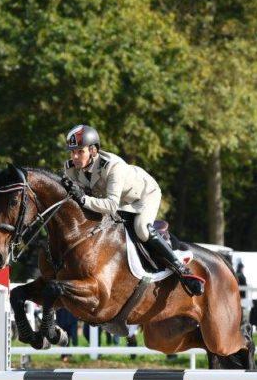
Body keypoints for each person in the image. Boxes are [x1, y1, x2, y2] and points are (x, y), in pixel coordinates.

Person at [60, 124, 205, 296]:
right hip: (118, 201)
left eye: (79, 151)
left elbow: (111, 205)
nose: (75, 156)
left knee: (141, 228)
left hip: (143, 195)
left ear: (92, 150)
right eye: (72, 152)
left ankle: (182, 268)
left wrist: (83, 199)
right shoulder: (70, 168)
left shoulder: (113, 166)